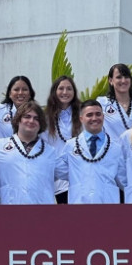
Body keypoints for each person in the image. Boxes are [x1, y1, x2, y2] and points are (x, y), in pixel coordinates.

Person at [0, 100, 62, 204]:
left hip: (43, 212)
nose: (31, 121)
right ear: (18, 120)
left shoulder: (51, 152)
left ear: (41, 123)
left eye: (36, 118)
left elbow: (71, 171)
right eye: (27, 116)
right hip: (10, 210)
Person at [58, 99, 127, 204]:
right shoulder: (70, 146)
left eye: (98, 114)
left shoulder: (116, 148)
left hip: (108, 206)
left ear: (103, 117)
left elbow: (124, 181)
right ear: (81, 119)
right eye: (89, 115)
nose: (94, 118)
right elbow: (59, 171)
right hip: (79, 205)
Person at [44, 75, 82, 204]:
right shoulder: (45, 118)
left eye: (69, 89)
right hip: (59, 180)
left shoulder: (83, 114)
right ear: (54, 91)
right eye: (61, 88)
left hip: (82, 176)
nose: (65, 92)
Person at [96, 63, 132, 140]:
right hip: (112, 150)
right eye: (119, 77)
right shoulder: (102, 103)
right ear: (111, 81)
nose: (123, 81)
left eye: (126, 77)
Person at [0, 75, 35, 141]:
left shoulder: (37, 113)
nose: (20, 93)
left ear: (30, 94)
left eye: (24, 89)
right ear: (9, 94)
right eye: (16, 90)